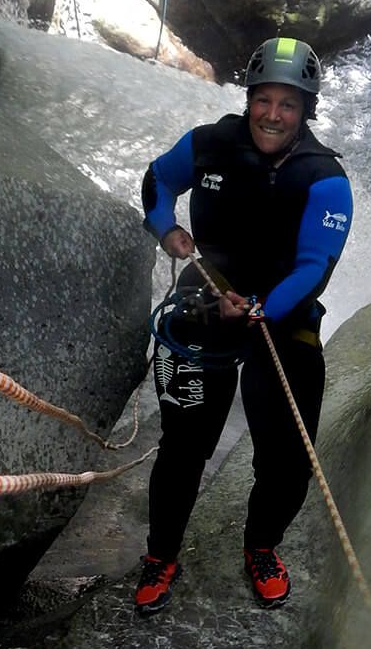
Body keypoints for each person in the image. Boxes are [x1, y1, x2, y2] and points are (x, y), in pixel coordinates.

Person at [135, 36, 353, 615]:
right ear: (249, 99)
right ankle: (161, 553)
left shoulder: (325, 179)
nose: (273, 115)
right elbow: (157, 181)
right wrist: (166, 229)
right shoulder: (209, 145)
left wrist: (261, 308)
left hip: (281, 317)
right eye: (265, 100)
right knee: (183, 445)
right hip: (208, 301)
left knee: (286, 457)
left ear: (305, 110)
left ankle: (261, 545)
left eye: (288, 104)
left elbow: (314, 268)